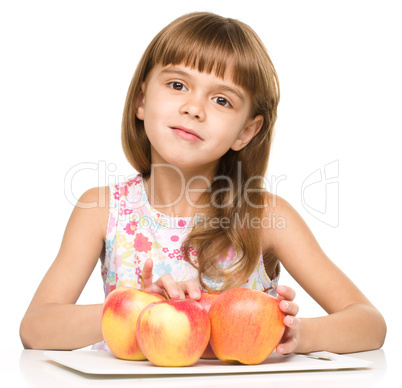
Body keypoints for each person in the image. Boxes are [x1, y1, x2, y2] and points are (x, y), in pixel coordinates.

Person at [20, 12, 386, 355]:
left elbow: (369, 324)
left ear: (246, 131)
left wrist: (301, 334)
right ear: (141, 99)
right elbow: (35, 329)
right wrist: (136, 309)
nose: (194, 108)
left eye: (222, 100)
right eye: (178, 84)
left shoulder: (264, 216)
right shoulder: (101, 210)